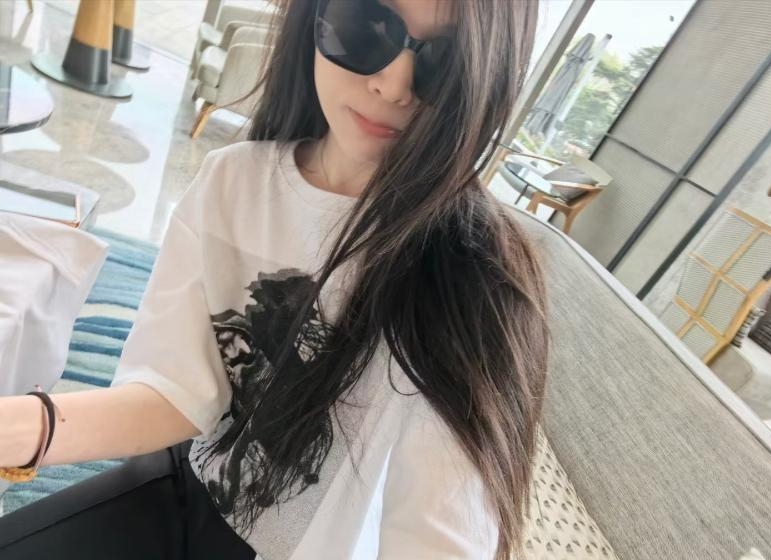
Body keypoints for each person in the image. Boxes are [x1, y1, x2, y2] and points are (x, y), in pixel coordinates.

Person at [0, 0, 548, 558]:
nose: (393, 85)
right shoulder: (234, 180)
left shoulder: (477, 277)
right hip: (190, 485)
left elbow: (440, 537)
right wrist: (16, 427)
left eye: (445, 60)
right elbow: (175, 395)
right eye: (367, 27)